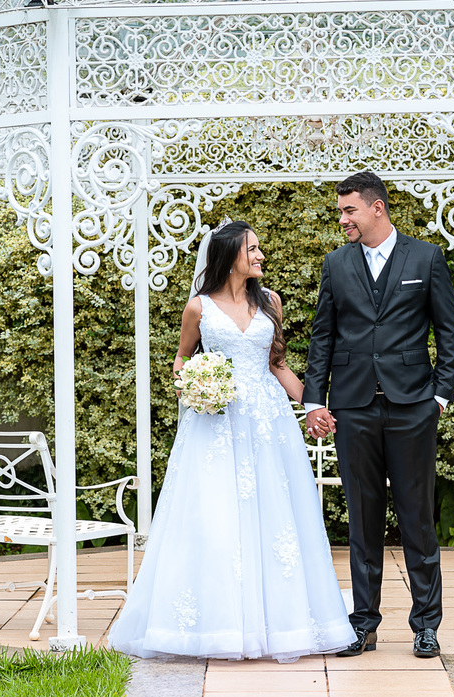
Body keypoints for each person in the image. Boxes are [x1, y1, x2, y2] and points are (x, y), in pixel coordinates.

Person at [108, 219, 354, 662]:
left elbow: (277, 365)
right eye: (252, 249)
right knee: (215, 517)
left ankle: (281, 622)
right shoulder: (198, 308)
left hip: (267, 424)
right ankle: (216, 626)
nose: (260, 255)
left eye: (259, 248)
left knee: (275, 517)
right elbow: (183, 359)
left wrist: (312, 405)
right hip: (216, 425)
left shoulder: (271, 302)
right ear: (228, 256)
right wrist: (192, 387)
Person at [302, 171, 454, 659]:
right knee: (362, 521)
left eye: (349, 210)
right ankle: (363, 624)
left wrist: (440, 395)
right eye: (341, 212)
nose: (343, 219)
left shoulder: (426, 257)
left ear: (377, 208)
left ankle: (426, 625)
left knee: (418, 519)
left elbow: (448, 330)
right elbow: (323, 335)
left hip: (413, 406)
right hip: (352, 407)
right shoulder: (336, 263)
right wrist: (314, 399)